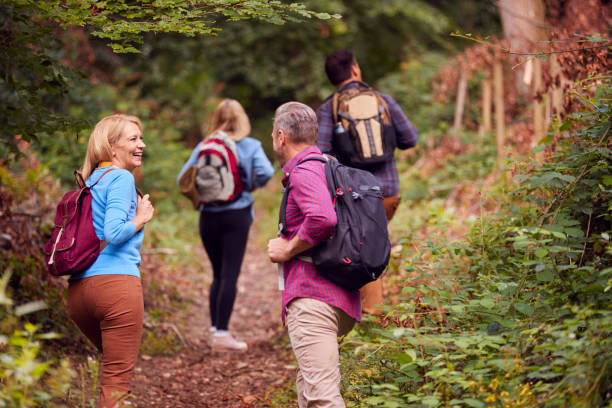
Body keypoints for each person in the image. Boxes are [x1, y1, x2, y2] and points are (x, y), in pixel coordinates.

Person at [268, 102, 360, 407]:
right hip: (340, 296)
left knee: (321, 397)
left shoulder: (304, 173)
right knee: (309, 389)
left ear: (281, 136)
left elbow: (323, 218)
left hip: (314, 297)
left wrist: (288, 248)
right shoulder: (327, 167)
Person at [316, 49, 419, 314]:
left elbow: (321, 153)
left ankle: (369, 316)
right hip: (388, 194)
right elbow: (410, 139)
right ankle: (372, 314)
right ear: (355, 70)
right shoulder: (383, 101)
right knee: (372, 244)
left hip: (354, 197)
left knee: (359, 249)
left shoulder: (329, 108)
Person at [68, 114, 154, 408]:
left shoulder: (90, 181)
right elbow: (114, 232)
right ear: (111, 147)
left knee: (113, 366)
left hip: (79, 291)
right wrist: (141, 218)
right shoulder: (121, 178)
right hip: (116, 288)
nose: (141, 144)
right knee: (116, 381)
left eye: (140, 138)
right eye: (133, 139)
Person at [177, 98, 274, 351]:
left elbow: (183, 178)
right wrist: (251, 185)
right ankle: (222, 334)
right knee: (230, 274)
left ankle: (213, 330)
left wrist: (201, 195)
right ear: (243, 119)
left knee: (217, 273)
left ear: (216, 118)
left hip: (208, 215)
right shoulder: (250, 146)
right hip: (237, 214)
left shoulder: (204, 145)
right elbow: (267, 172)